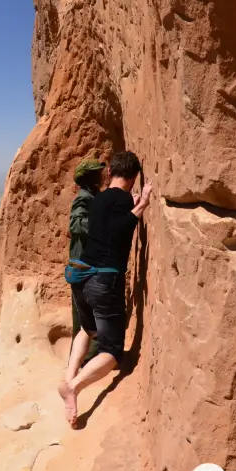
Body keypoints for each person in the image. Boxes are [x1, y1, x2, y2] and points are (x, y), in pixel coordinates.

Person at [58, 151, 152, 427]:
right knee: (111, 352)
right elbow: (120, 231)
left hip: (82, 275)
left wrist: (131, 207)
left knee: (87, 330)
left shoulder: (97, 199)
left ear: (110, 172)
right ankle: (74, 387)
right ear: (133, 177)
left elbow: (105, 226)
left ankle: (68, 376)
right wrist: (141, 205)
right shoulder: (123, 198)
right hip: (103, 279)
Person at [68, 158, 106, 363]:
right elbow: (75, 225)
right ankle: (82, 360)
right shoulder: (83, 197)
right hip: (81, 264)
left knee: (91, 311)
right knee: (84, 315)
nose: (101, 177)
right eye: (96, 174)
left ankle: (89, 357)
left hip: (88, 263)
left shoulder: (93, 196)